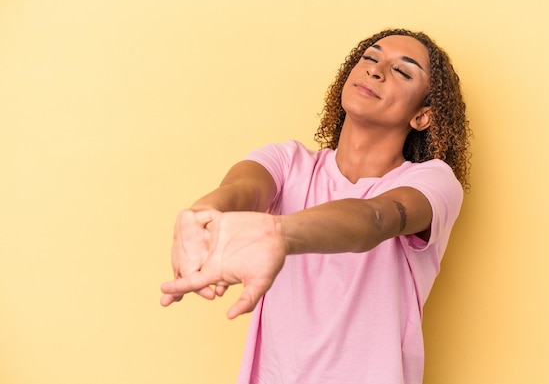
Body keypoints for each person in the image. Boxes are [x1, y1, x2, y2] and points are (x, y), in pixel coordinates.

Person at [160, 28, 471, 384]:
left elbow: (376, 217)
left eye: (402, 71)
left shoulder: (432, 181)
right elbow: (241, 189)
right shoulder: (286, 161)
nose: (375, 70)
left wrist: (279, 234)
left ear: (422, 117)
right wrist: (203, 217)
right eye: (370, 58)